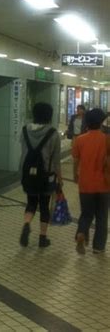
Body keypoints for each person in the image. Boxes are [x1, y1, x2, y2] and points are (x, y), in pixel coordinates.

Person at [19, 102, 62, 248]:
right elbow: (56, 160)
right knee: (44, 205)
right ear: (49, 116)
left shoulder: (25, 130)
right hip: (46, 175)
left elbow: (23, 151)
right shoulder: (53, 134)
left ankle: (26, 223)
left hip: (27, 174)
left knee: (31, 202)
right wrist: (60, 180)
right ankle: (42, 238)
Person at [72, 108, 110, 254]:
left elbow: (76, 160)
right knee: (102, 216)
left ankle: (81, 233)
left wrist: (76, 175)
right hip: (104, 185)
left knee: (86, 214)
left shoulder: (80, 140)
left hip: (85, 183)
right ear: (101, 122)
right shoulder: (107, 139)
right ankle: (98, 247)